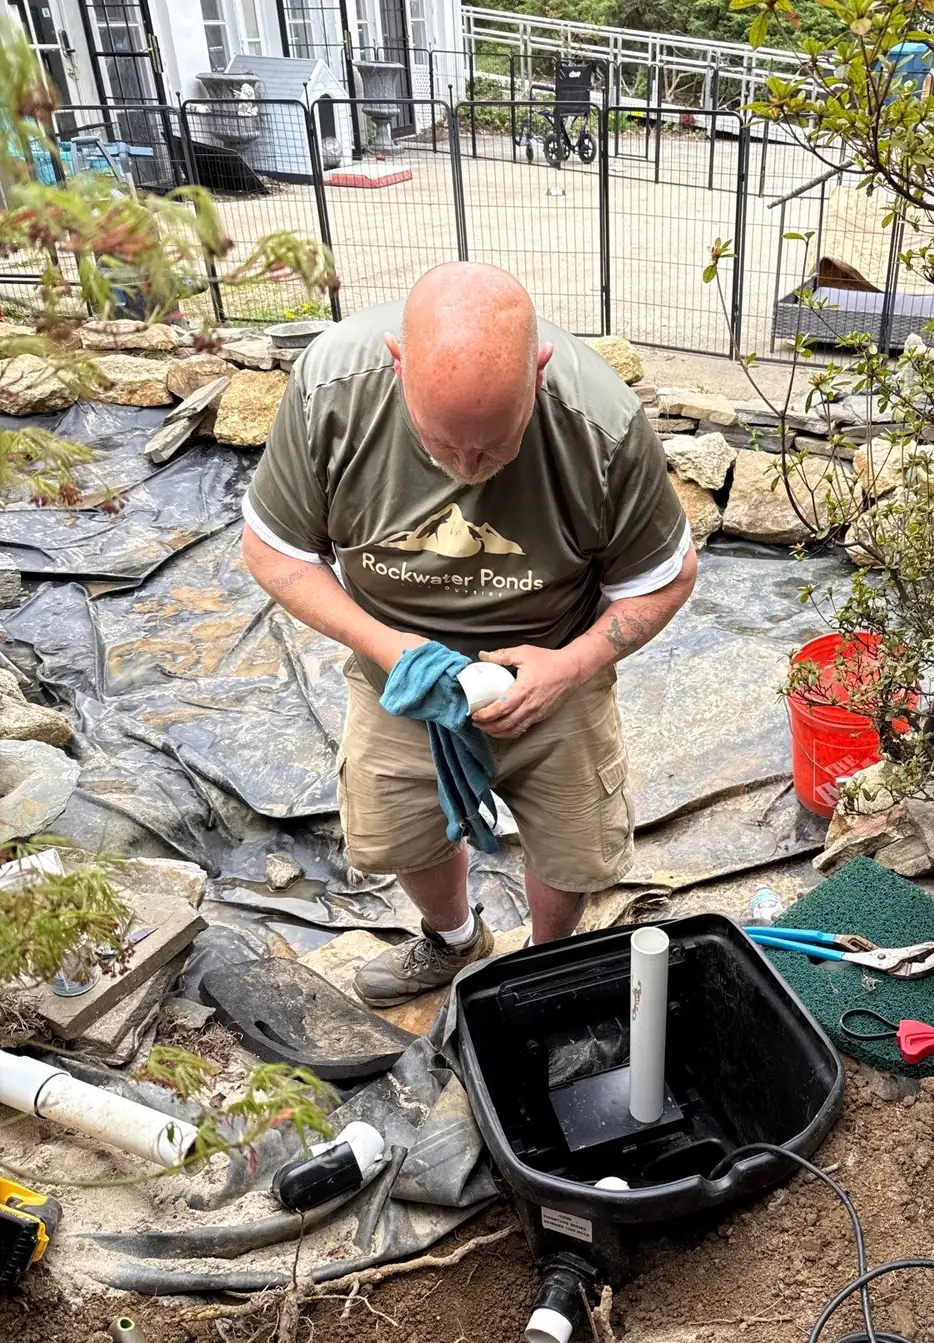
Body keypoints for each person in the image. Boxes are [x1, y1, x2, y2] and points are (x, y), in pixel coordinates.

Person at [241, 262, 696, 1004]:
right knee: (401, 829)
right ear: (398, 365)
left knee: (574, 844)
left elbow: (665, 577)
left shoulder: (602, 424)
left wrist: (572, 666)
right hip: (397, 670)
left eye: (493, 446)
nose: (468, 468)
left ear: (538, 372)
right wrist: (392, 651)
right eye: (444, 445)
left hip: (554, 664)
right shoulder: (332, 390)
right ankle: (454, 939)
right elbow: (275, 551)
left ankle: (544, 964)